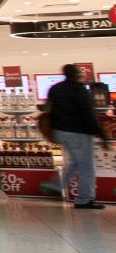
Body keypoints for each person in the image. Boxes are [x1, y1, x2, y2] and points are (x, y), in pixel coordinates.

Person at [47, 64, 109, 209]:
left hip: (61, 131)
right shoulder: (80, 90)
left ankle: (56, 185)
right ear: (77, 75)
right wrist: (101, 135)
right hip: (79, 133)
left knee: (76, 162)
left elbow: (48, 109)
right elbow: (88, 115)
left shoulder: (55, 88)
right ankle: (84, 199)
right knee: (87, 166)